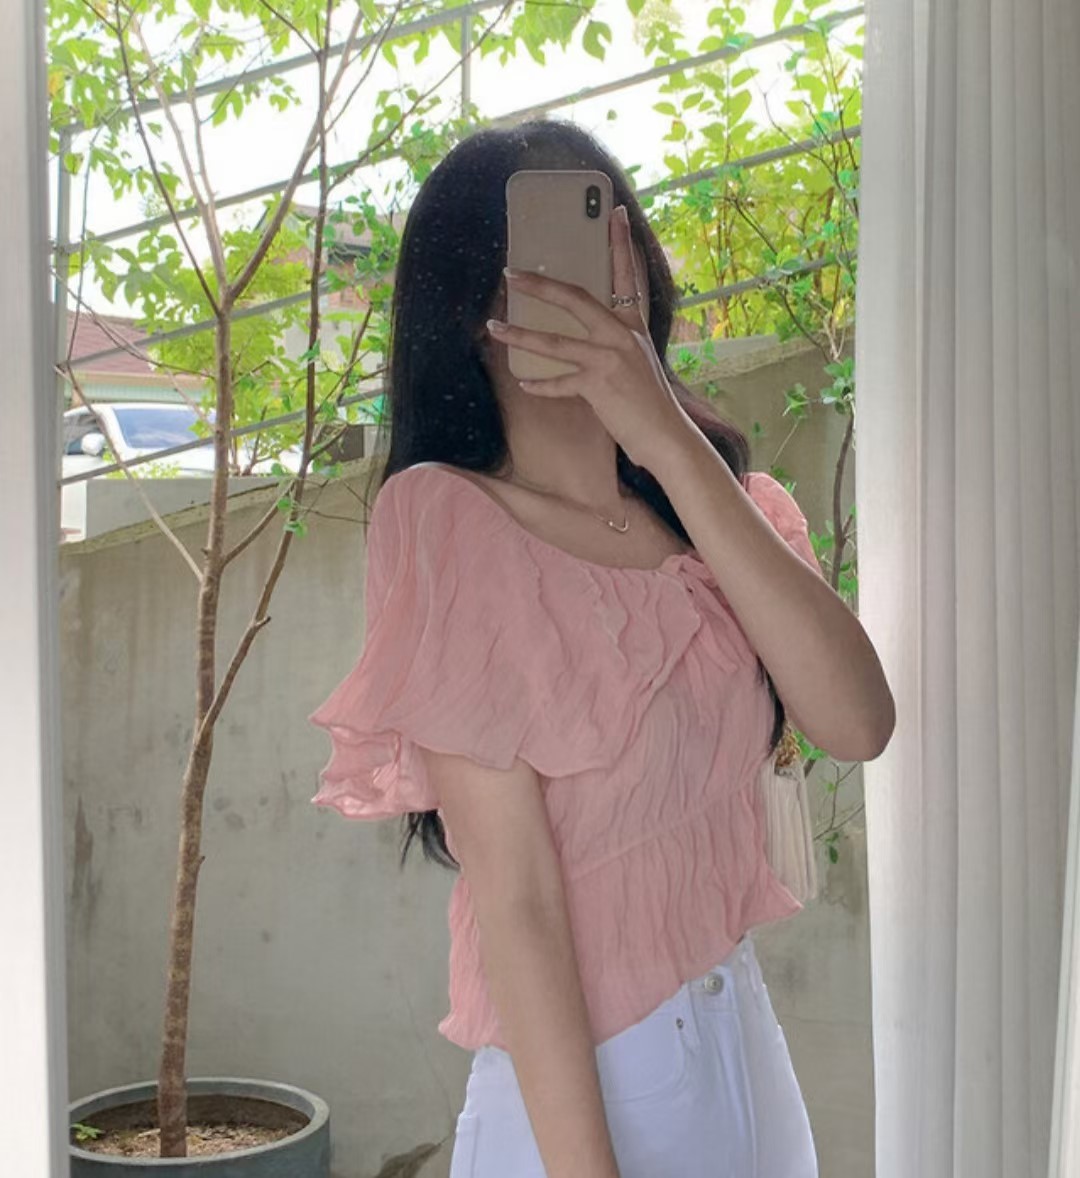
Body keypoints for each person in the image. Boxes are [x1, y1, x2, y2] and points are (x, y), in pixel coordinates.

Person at [308, 118, 894, 1178]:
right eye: (549, 259)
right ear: (473, 306)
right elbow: (519, 900)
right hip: (590, 1091)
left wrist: (662, 432)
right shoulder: (448, 524)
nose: (588, 289)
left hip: (746, 1049)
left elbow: (857, 721)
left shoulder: (719, 508)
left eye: (609, 245)